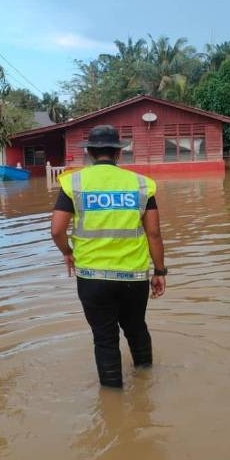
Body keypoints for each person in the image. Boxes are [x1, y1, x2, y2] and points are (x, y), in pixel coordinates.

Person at [50, 124, 168, 388]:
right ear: (118, 154)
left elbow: (57, 230)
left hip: (92, 277)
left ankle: (112, 399)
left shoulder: (74, 183)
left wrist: (68, 253)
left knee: (104, 338)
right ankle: (146, 381)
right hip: (134, 276)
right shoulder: (141, 185)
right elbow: (155, 234)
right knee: (137, 329)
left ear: (90, 153)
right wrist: (159, 271)